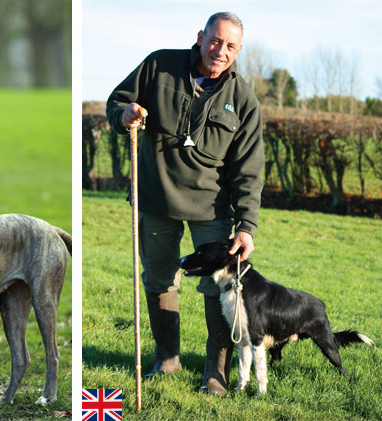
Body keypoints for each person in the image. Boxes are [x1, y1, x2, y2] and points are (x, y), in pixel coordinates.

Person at [106, 12, 264, 396]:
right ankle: (167, 359)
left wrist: (245, 226)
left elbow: (248, 169)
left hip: (211, 209)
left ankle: (217, 371)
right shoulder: (159, 64)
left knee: (222, 288)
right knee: (159, 277)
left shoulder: (243, 100)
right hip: (155, 197)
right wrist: (124, 115)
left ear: (238, 51)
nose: (220, 51)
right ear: (201, 37)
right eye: (215, 41)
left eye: (230, 46)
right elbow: (117, 102)